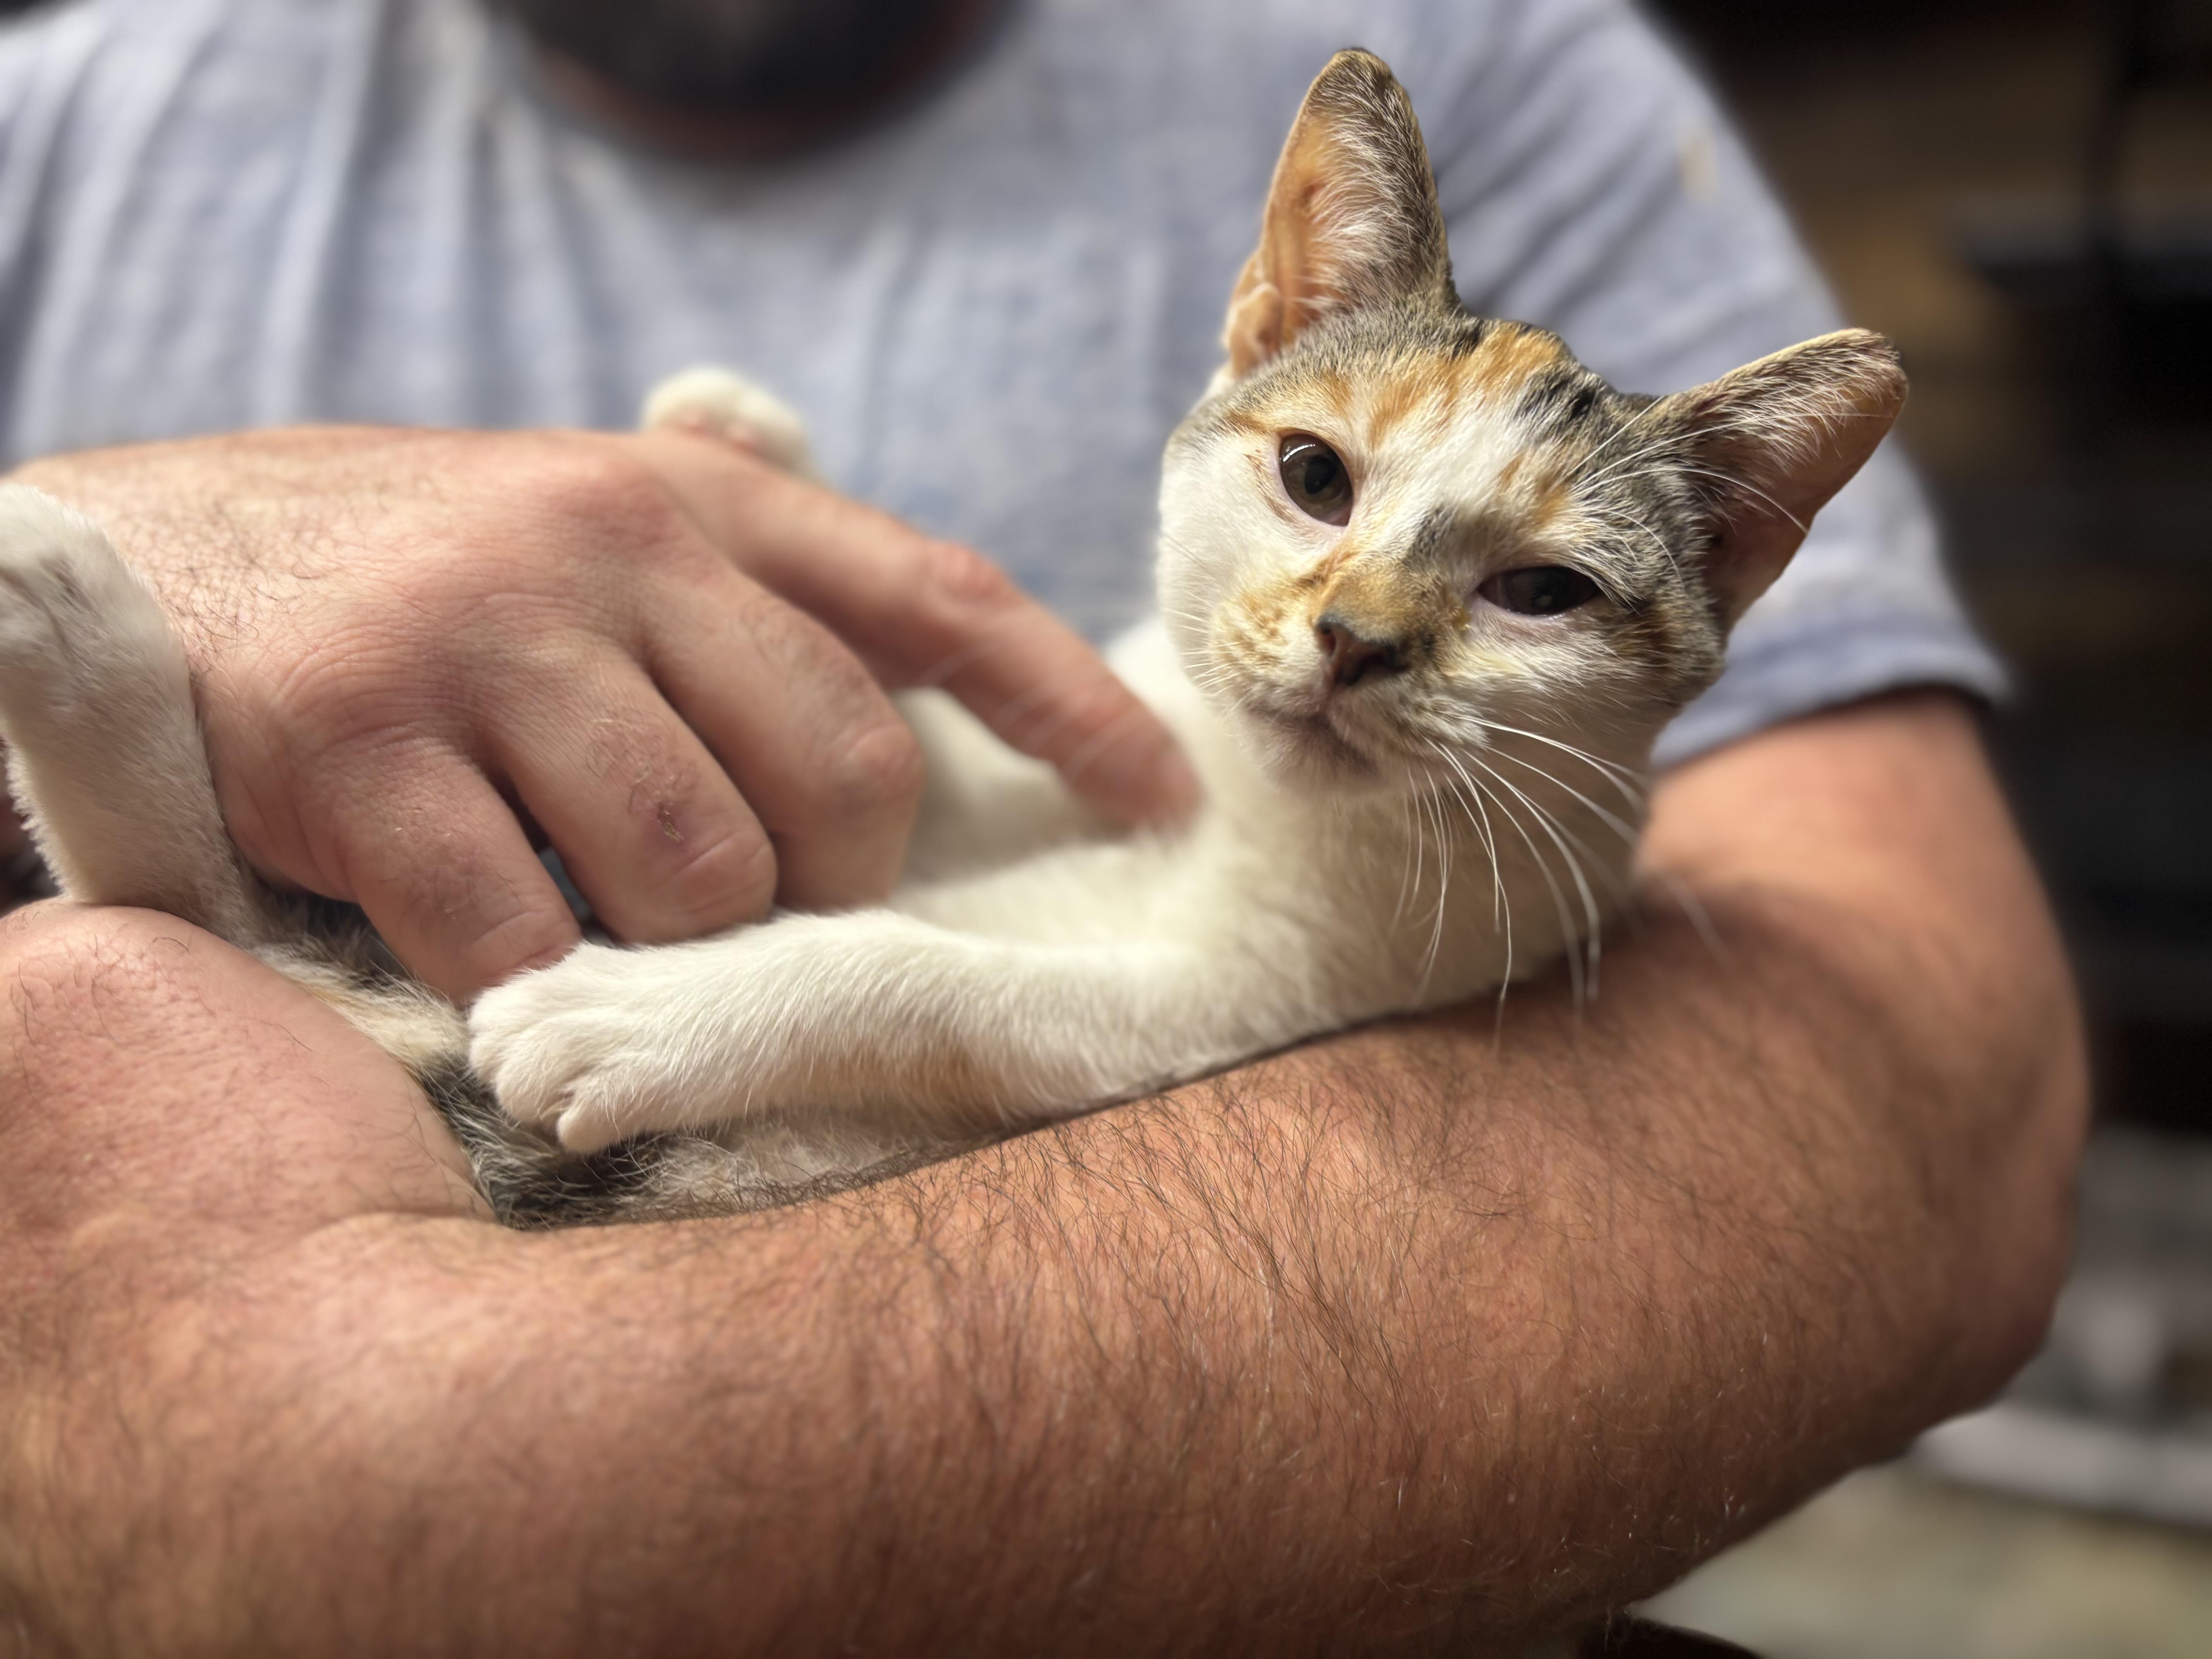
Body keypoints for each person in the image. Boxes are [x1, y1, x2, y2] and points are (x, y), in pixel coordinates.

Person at [0, 0, 2085, 1650]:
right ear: (1269, 332)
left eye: (1535, 590)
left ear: (1714, 580)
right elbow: (964, 803)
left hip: (603, 1196)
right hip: (332, 1098)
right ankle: (165, 856)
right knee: (270, 991)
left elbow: (1944, 1081)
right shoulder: (72, 111)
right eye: (1322, 486)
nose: (1356, 629)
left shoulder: (1533, 70)